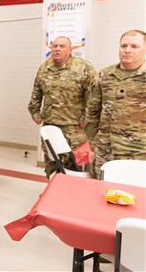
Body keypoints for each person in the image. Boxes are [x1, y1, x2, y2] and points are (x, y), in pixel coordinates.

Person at [28, 36, 96, 177]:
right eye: (55, 46)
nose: (57, 48)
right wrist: (34, 111)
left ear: (70, 49)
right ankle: (53, 193)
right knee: (52, 163)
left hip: (74, 128)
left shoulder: (84, 67)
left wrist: (87, 118)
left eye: (62, 46)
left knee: (74, 165)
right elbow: (37, 91)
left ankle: (72, 196)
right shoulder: (44, 68)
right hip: (50, 125)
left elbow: (94, 96)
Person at [86, 29, 146, 178]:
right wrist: (94, 140)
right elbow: (93, 110)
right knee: (100, 193)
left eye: (134, 46)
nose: (127, 50)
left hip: (139, 153)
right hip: (105, 151)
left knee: (135, 197)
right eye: (123, 46)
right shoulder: (105, 75)